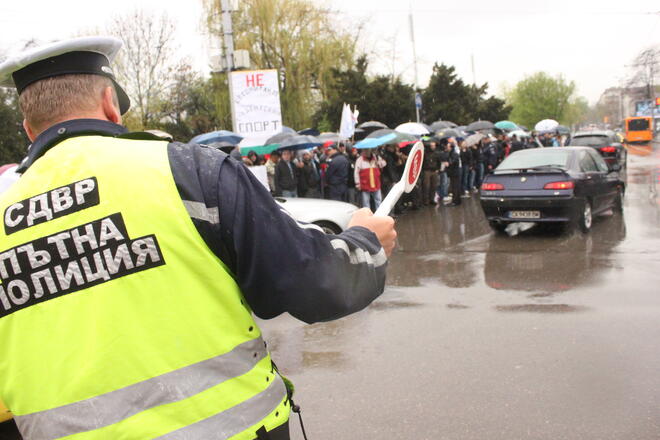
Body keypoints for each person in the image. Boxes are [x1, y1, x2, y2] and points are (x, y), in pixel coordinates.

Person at [0, 36, 397, 440]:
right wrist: (367, 241)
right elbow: (312, 283)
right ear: (109, 103)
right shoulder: (189, 172)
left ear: (28, 130)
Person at [421, 141, 440, 205]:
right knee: (426, 186)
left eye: (434, 145)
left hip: (434, 170)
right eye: (432, 145)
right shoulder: (425, 153)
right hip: (427, 170)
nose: (433, 147)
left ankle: (432, 199)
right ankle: (425, 200)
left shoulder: (436, 153)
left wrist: (438, 169)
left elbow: (438, 161)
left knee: (434, 186)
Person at [445, 138, 462, 206]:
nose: (447, 148)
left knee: (455, 187)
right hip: (453, 173)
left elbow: (454, 160)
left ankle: (455, 201)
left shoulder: (454, 153)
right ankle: (457, 200)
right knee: (455, 187)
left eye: (448, 147)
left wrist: (449, 163)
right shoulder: (450, 153)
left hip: (455, 173)